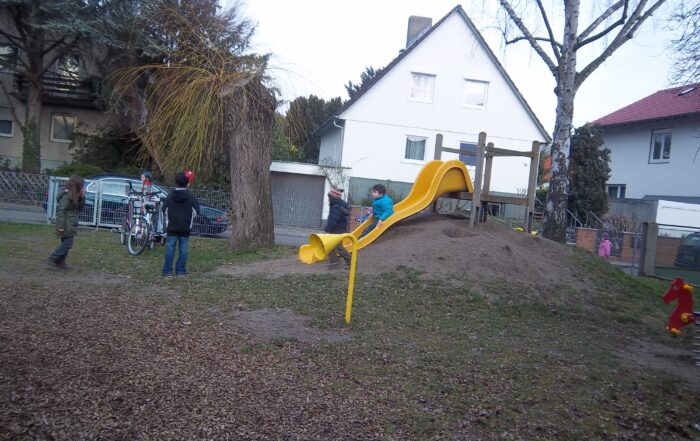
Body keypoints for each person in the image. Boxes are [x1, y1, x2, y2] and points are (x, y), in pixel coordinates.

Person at [161, 171, 201, 276]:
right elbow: (196, 210)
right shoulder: (190, 197)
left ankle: (167, 271)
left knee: (170, 249)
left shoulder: (170, 196)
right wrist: (188, 218)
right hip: (185, 227)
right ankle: (180, 270)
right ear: (187, 183)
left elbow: (164, 209)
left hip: (172, 227)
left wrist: (170, 218)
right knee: (183, 250)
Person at [47, 175, 85, 270]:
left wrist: (82, 197)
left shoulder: (75, 195)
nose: (83, 187)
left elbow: (81, 208)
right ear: (76, 185)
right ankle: (52, 259)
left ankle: (61, 263)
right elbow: (61, 211)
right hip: (65, 223)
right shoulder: (66, 195)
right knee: (68, 243)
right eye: (81, 185)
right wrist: (61, 226)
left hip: (71, 222)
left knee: (66, 243)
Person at [325, 188, 351, 269]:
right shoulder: (337, 204)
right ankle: (334, 262)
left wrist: (328, 228)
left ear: (333, 197)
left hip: (337, 229)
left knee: (338, 246)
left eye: (329, 197)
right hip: (338, 228)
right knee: (330, 245)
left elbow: (334, 218)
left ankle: (351, 263)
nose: (328, 198)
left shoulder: (336, 206)